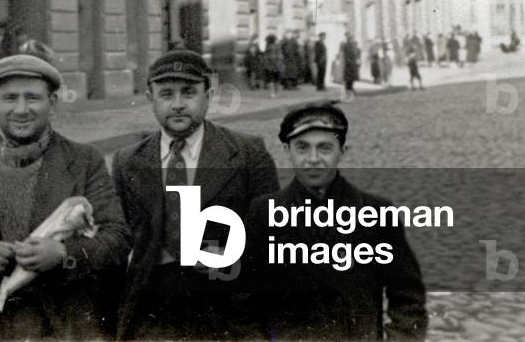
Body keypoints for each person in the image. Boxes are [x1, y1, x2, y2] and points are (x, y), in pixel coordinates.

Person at [0, 55, 131, 341]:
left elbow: (117, 240)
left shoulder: (83, 160)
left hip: (62, 326)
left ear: (52, 103)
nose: (20, 109)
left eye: (32, 98)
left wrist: (64, 256)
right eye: (9, 98)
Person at [113, 50, 279, 340]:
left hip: (227, 305)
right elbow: (121, 236)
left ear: (209, 95)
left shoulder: (246, 152)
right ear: (150, 98)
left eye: (189, 92)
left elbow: (273, 232)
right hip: (154, 309)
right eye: (166, 94)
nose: (177, 105)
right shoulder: (128, 161)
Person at [245, 102, 427, 340]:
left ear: (343, 151)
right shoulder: (263, 213)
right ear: (287, 150)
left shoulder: (376, 212)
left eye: (324, 148)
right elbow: (243, 298)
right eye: (302, 148)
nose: (313, 159)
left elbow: (407, 296)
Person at [341, 34, 360, 102]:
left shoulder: (351, 45)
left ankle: (350, 92)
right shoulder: (347, 46)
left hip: (352, 65)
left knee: (351, 80)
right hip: (349, 65)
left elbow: (355, 54)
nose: (352, 40)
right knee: (349, 80)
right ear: (349, 39)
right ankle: (349, 93)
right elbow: (348, 56)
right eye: (351, 38)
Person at [263, 34, 281, 98]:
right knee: (276, 79)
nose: (277, 40)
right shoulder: (274, 47)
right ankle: (275, 93)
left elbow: (266, 57)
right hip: (274, 65)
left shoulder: (268, 46)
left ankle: (272, 93)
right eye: (276, 39)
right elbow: (273, 57)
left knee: (271, 80)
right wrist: (277, 65)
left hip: (269, 66)